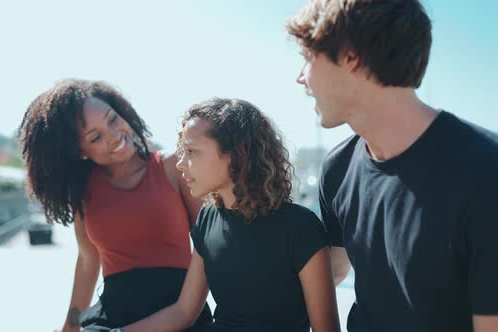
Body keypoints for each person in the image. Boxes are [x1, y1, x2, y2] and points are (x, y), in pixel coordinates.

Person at [286, 1, 498, 331]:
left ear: (350, 56)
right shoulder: (337, 170)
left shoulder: (486, 172)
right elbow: (336, 267)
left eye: (307, 59)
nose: (300, 78)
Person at [115, 98, 340, 332]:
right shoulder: (207, 218)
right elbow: (183, 312)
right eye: (182, 151)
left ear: (237, 155)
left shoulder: (301, 227)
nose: (181, 164)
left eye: (191, 151)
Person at [18, 79, 212, 332]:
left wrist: (192, 310)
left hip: (178, 310)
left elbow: (208, 244)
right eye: (95, 136)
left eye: (112, 119)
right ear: (80, 151)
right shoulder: (83, 190)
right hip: (114, 314)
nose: (113, 136)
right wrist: (70, 326)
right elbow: (88, 260)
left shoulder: (173, 166)